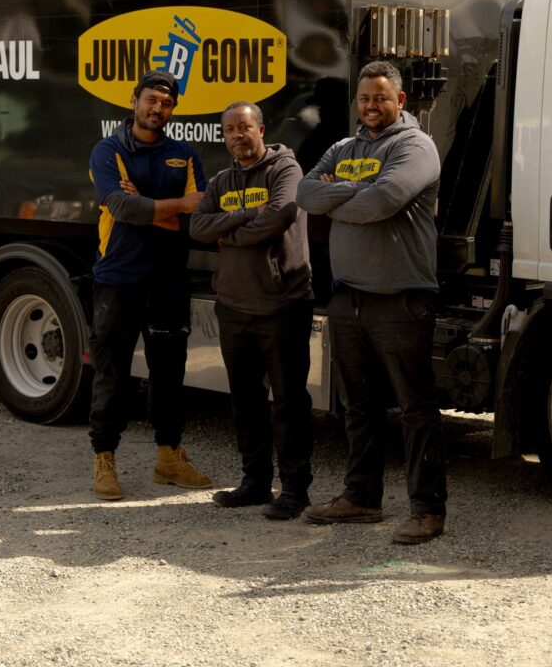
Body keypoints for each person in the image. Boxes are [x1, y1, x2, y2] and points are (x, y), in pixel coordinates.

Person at [296, 60, 447, 544]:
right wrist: (358, 190)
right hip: (349, 299)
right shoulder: (343, 146)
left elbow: (385, 201)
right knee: (358, 406)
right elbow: (303, 193)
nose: (371, 106)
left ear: (400, 100)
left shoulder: (415, 146)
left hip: (400, 300)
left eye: (381, 98)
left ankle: (427, 510)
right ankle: (362, 498)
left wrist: (337, 196)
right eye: (365, 98)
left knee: (415, 410)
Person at [88, 70, 212, 499]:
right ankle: (105, 460)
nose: (157, 108)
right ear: (134, 100)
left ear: (173, 109)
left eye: (166, 102)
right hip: (118, 279)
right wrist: (168, 207)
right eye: (151, 100)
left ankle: (169, 458)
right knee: (112, 374)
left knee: (170, 374)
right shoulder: (109, 150)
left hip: (167, 280)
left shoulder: (184, 154)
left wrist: (147, 206)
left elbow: (199, 218)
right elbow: (121, 207)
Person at [190, 101, 314, 520]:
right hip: (234, 307)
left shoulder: (285, 170)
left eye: (244, 127)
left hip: (282, 304)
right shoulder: (223, 178)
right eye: (229, 130)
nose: (236, 135)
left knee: (288, 403)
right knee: (245, 401)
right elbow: (197, 226)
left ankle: (295, 490)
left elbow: (280, 215)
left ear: (261, 128)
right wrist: (244, 216)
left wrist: (231, 234)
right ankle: (255, 483)